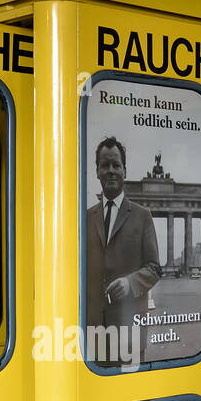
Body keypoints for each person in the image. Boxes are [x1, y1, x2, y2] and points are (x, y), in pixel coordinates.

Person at [84, 137, 160, 362]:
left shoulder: (142, 216)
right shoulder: (86, 218)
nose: (111, 171)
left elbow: (154, 269)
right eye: (105, 165)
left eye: (116, 165)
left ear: (125, 171)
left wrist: (130, 283)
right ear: (97, 171)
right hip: (94, 335)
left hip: (130, 337)